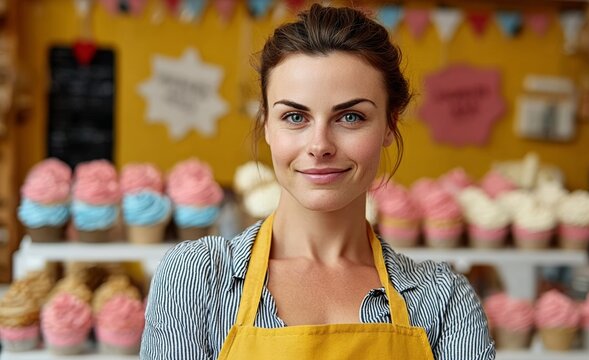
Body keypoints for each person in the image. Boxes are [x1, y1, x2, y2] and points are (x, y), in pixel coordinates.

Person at [141, 4, 494, 359]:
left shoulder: (443, 301)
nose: (320, 145)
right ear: (267, 125)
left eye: (351, 117)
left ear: (390, 125)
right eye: (295, 116)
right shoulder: (196, 279)